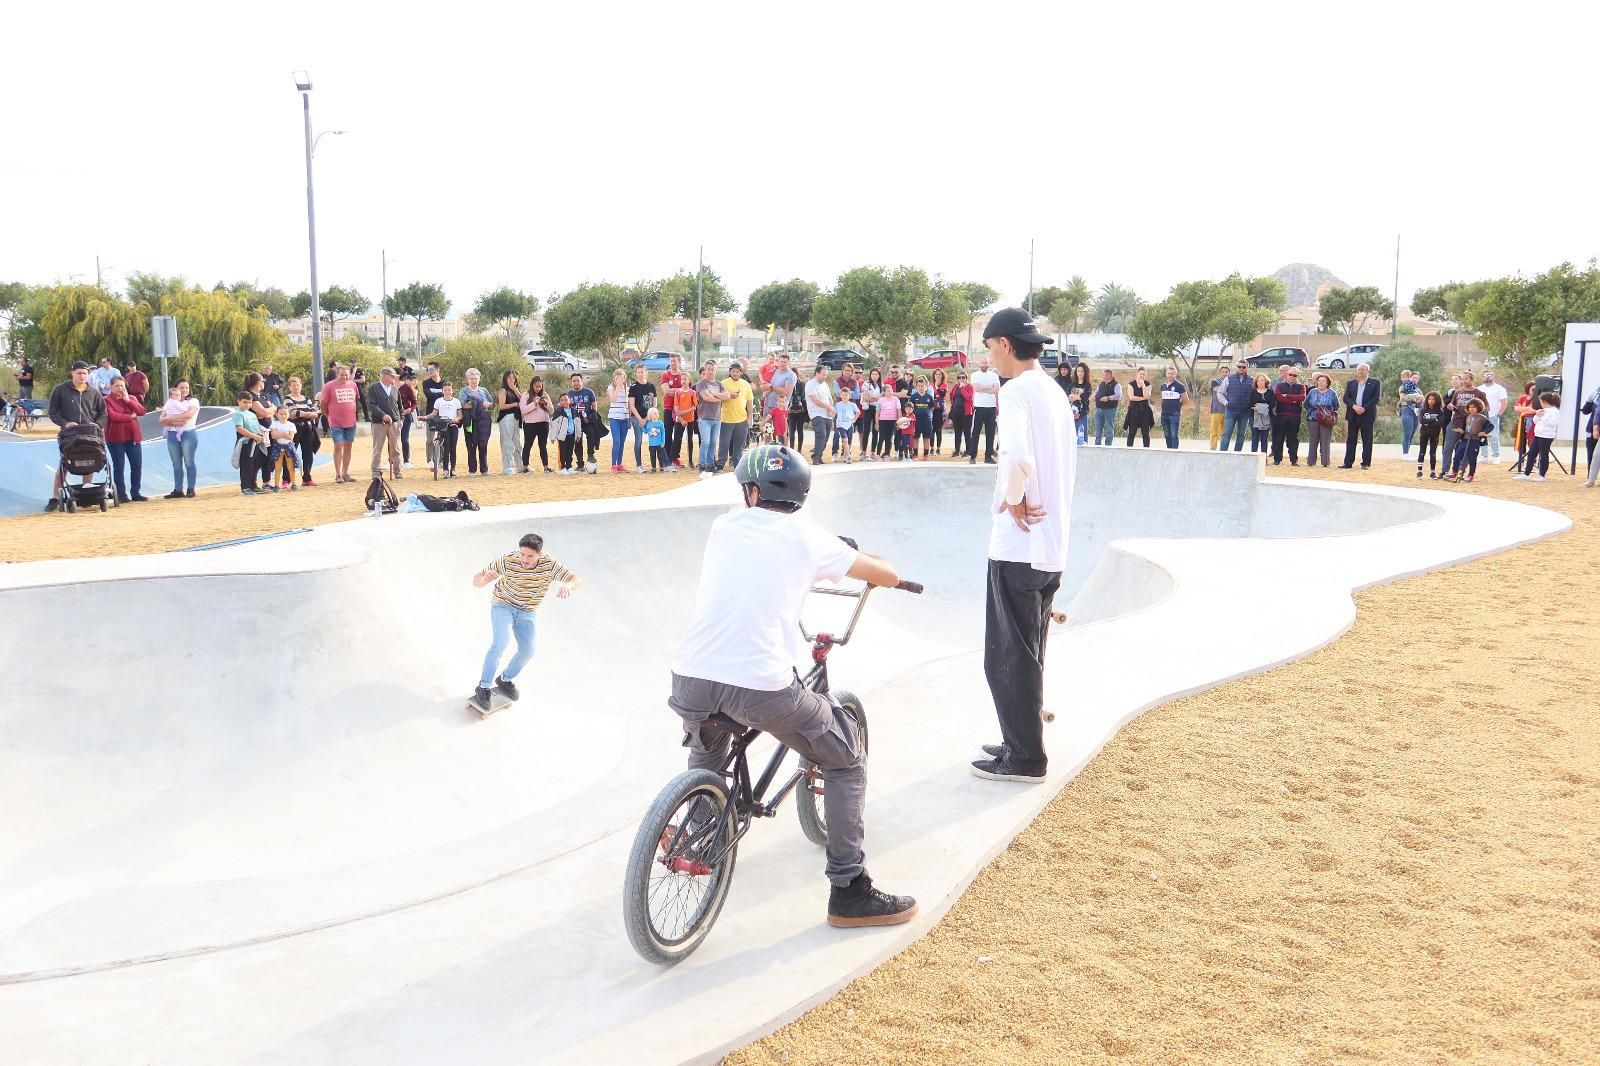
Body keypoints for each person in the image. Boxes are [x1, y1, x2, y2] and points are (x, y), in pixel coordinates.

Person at [668, 443, 917, 928]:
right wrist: (855, 554)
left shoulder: (724, 526)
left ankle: (704, 834)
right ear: (800, 495)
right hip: (761, 687)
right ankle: (850, 890)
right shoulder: (809, 538)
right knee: (846, 758)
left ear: (751, 492)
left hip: (689, 676)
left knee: (709, 744)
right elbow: (885, 573)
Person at [969, 308, 1075, 785]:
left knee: (1007, 655)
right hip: (1052, 545)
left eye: (989, 347)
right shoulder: (1053, 391)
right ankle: (1020, 739)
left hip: (1018, 547)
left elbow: (1017, 457)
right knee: (1030, 650)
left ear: (1005, 345)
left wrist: (1012, 499)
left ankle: (1026, 758)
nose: (987, 357)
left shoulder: (1015, 394)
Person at [469, 533, 582, 715]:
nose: (524, 559)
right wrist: (482, 579)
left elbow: (577, 580)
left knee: (529, 650)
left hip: (528, 611)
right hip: (503, 605)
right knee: (501, 643)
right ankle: (483, 687)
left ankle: (505, 679)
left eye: (530, 556)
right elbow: (478, 582)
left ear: (539, 554)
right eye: (522, 554)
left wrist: (568, 586)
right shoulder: (509, 560)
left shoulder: (550, 565)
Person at [44, 361, 109, 511]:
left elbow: (103, 413)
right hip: (69, 435)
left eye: (85, 373)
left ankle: (87, 492)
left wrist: (97, 425)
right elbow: (53, 412)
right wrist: (65, 423)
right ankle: (55, 497)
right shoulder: (60, 390)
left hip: (90, 433)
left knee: (91, 460)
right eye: (79, 373)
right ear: (72, 373)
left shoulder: (94, 392)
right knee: (64, 464)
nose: (82, 376)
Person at [104, 376, 148, 503]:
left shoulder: (132, 398)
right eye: (117, 386)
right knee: (119, 466)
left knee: (137, 465)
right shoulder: (106, 400)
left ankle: (136, 492)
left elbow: (141, 411)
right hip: (115, 438)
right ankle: (121, 495)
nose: (120, 388)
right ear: (111, 387)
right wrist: (130, 417)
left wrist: (128, 401)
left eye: (122, 386)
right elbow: (112, 416)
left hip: (133, 437)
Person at [317, 365, 361, 484]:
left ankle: (345, 472)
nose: (344, 377)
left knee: (348, 446)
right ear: (337, 374)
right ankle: (337, 474)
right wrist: (329, 415)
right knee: (338, 445)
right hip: (336, 422)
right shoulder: (328, 386)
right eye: (342, 375)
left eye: (346, 375)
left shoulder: (353, 385)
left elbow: (356, 399)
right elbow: (323, 404)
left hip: (350, 421)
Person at [160, 379, 201, 498]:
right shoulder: (170, 402)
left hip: (188, 433)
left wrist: (170, 420)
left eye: (186, 388)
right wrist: (172, 421)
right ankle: (178, 489)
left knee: (189, 461)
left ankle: (191, 488)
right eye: (181, 388)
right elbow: (161, 419)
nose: (184, 390)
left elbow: (187, 417)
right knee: (176, 463)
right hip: (172, 434)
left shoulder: (193, 401)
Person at [1441, 371, 1485, 479]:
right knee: (1447, 448)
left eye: (1466, 379)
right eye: (1462, 379)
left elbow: (1485, 408)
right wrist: (1450, 406)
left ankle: (1460, 472)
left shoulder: (1479, 393)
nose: (1464, 381)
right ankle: (1445, 471)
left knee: (1466, 449)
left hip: (1470, 425)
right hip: (1455, 423)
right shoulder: (1457, 392)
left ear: (1472, 379)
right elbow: (1453, 404)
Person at [1513, 392, 1561, 481]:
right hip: (1538, 434)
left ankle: (1542, 475)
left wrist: (1543, 417)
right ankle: (1526, 473)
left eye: (1541, 402)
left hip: (1547, 436)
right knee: (1531, 454)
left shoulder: (1555, 411)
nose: (1540, 404)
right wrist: (1538, 415)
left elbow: (1553, 423)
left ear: (1545, 402)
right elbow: (1535, 421)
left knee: (1543, 455)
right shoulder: (1542, 410)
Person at [1340, 362, 1381, 469]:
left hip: (1367, 415)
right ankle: (1348, 463)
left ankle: (1366, 463)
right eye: (1358, 369)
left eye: (1363, 369)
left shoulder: (1375, 383)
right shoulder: (1351, 383)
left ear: (1368, 371)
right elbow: (1346, 398)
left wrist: (1363, 408)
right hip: (1353, 415)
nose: (1360, 371)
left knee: (1367, 440)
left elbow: (1376, 398)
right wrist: (1354, 406)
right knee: (1351, 440)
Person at [368, 366, 405, 480]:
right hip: (379, 423)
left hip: (394, 422)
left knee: (396, 448)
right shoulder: (374, 388)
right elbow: (372, 405)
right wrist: (383, 415)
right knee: (377, 448)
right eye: (392, 376)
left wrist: (401, 419)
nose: (394, 378)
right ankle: (376, 471)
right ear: (384, 376)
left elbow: (400, 406)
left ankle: (398, 471)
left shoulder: (395, 389)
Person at [695, 362, 731, 477]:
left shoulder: (718, 384)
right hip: (704, 418)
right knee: (705, 442)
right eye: (708, 369)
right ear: (705, 370)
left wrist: (715, 394)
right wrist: (719, 398)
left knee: (713, 443)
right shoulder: (701, 383)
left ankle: (711, 465)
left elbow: (728, 396)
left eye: (712, 369)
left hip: (716, 418)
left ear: (715, 370)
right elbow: (706, 398)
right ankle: (702, 465)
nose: (710, 371)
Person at [719, 362, 755, 471]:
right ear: (730, 371)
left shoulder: (745, 384)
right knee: (724, 444)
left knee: (739, 445)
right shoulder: (723, 383)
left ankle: (737, 465)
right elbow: (719, 399)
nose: (735, 373)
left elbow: (749, 402)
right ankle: (720, 463)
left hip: (741, 420)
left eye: (737, 371)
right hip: (726, 419)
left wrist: (749, 418)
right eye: (733, 371)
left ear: (741, 372)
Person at [285, 377, 321, 487]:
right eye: (293, 385)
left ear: (301, 386)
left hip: (308, 428)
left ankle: (307, 477)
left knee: (308, 453)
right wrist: (308, 414)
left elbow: (314, 411)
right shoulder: (287, 399)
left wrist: (303, 414)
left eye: (298, 385)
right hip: (294, 428)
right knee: (290, 453)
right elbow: (293, 412)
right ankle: (286, 479)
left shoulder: (306, 398)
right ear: (289, 387)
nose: (296, 387)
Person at [232, 391, 269, 496]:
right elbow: (240, 429)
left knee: (256, 463)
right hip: (246, 442)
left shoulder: (252, 414)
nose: (247, 405)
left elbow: (256, 426)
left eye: (249, 402)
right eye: (244, 402)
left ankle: (253, 485)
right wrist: (253, 436)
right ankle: (245, 487)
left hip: (256, 441)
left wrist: (261, 433)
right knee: (246, 464)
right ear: (238, 401)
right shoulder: (238, 414)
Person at [1445, 399, 1490, 484]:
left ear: (1479, 407)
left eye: (1474, 407)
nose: (1471, 409)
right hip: (1465, 439)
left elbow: (1490, 426)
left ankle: (1470, 475)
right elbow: (1463, 426)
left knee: (1472, 458)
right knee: (1457, 455)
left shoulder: (1482, 418)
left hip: (1474, 440)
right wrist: (1461, 430)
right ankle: (1455, 472)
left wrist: (1484, 432)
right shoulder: (1467, 416)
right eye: (1470, 407)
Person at [460, 369, 495, 476]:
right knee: (471, 445)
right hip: (470, 421)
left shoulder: (483, 390)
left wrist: (488, 405)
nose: (474, 381)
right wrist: (479, 404)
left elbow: (492, 404)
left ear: (479, 379)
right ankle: (472, 470)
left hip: (483, 420)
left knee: (483, 444)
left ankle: (484, 469)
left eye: (475, 378)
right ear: (467, 379)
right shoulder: (464, 391)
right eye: (471, 379)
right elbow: (462, 404)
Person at [1269, 366, 1306, 466]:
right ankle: (1277, 459)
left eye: (1295, 375)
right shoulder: (1280, 386)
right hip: (1281, 415)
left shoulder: (1301, 386)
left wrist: (1287, 396)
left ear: (1297, 376)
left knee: (1293, 439)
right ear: (1287, 374)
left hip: (1295, 416)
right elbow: (1278, 397)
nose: (1292, 377)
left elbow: (1302, 397)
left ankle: (1294, 460)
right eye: (1290, 374)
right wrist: (1294, 399)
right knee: (1278, 438)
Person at [564, 372, 600, 475]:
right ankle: (580, 464)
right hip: (575, 422)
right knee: (577, 441)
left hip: (587, 420)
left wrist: (590, 417)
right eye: (574, 381)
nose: (576, 383)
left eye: (578, 381)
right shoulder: (569, 394)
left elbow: (594, 407)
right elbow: (566, 408)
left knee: (591, 434)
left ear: (581, 381)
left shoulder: (589, 392)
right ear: (571, 383)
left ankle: (590, 454)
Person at [968, 354, 1000, 464]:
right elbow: (976, 388)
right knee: (976, 432)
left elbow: (996, 389)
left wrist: (983, 388)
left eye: (986, 363)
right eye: (982, 363)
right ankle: (972, 456)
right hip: (979, 407)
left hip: (991, 407)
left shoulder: (994, 375)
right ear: (979, 363)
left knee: (990, 433)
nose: (984, 365)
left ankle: (988, 457)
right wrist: (989, 388)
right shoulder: (975, 375)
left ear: (989, 363)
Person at [1304, 372, 1340, 468]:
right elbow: (1305, 404)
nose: (1321, 383)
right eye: (1319, 381)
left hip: (1326, 420)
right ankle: (1311, 462)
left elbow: (1337, 406)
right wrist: (1313, 411)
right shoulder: (1312, 392)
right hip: (1313, 419)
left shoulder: (1332, 393)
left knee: (1325, 441)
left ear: (1327, 383)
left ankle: (1325, 462)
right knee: (1313, 441)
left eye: (1323, 381)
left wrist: (1326, 412)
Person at [661, 355, 690, 468]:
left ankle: (675, 458)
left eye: (675, 361)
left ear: (679, 362)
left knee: (678, 435)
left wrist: (675, 391)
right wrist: (679, 391)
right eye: (671, 361)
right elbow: (667, 391)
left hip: (681, 410)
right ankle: (667, 458)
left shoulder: (683, 375)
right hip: (669, 408)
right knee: (668, 433)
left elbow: (687, 390)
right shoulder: (665, 374)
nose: (673, 363)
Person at [520, 376, 554, 473]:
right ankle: (525, 467)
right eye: (536, 386)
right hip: (530, 424)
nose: (538, 388)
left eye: (540, 386)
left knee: (543, 445)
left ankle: (546, 467)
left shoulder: (545, 395)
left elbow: (551, 410)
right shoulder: (525, 395)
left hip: (544, 423)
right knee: (528, 445)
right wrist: (534, 403)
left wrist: (546, 403)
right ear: (532, 385)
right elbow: (523, 410)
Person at [628, 366, 658, 473]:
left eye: (642, 372)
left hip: (650, 417)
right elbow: (631, 405)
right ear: (636, 374)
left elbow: (654, 404)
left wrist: (647, 418)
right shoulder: (633, 387)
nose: (641, 374)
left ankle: (658, 464)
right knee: (639, 440)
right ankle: (639, 465)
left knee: (655, 440)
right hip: (637, 418)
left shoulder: (651, 386)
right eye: (638, 372)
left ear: (646, 373)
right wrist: (640, 419)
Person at [805, 365, 836, 466]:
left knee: (826, 437)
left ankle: (819, 456)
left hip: (827, 415)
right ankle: (816, 458)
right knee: (821, 434)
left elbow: (830, 398)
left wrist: (831, 409)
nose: (824, 377)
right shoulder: (810, 384)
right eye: (823, 375)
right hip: (816, 414)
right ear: (817, 373)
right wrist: (829, 407)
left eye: (826, 375)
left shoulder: (825, 385)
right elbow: (815, 400)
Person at [1219, 360, 1253, 451]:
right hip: (1231, 410)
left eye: (1243, 367)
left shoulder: (1252, 380)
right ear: (1236, 367)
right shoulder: (1228, 379)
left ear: (1247, 368)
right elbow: (1220, 393)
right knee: (1227, 433)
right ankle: (1222, 454)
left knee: (1241, 434)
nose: (1241, 368)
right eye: (1239, 367)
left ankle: (1237, 454)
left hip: (1245, 412)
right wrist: (1226, 403)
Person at [497, 370, 526, 476]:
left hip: (516, 418)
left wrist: (515, 389)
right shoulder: (503, 390)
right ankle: (507, 466)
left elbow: (523, 401)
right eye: (509, 377)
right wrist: (514, 404)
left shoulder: (514, 389)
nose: (511, 380)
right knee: (507, 442)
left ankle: (520, 466)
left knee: (517, 442)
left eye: (513, 378)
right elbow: (502, 406)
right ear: (505, 378)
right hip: (506, 417)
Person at [766, 354, 798, 449]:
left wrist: (771, 387)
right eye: (780, 361)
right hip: (769, 404)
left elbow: (786, 391)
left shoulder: (791, 375)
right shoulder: (776, 371)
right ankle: (767, 450)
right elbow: (770, 385)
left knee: (781, 431)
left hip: (780, 408)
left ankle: (784, 450)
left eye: (785, 362)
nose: (782, 363)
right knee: (767, 430)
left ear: (789, 363)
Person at [421, 362, 447, 472]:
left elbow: (447, 394)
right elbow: (429, 395)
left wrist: (441, 394)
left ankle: (442, 460)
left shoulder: (445, 382)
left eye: (431, 369)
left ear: (437, 370)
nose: (429, 372)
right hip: (430, 414)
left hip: (443, 413)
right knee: (430, 438)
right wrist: (441, 393)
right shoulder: (426, 383)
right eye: (428, 370)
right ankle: (429, 459)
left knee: (443, 438)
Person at [267, 405, 299, 492]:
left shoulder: (291, 425)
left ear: (288, 414)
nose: (283, 416)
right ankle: (277, 485)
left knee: (290, 466)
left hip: (289, 447)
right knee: (278, 467)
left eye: (285, 414)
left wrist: (279, 434)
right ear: (277, 414)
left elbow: (290, 437)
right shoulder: (274, 424)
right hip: (278, 448)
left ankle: (294, 483)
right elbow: (273, 436)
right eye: (281, 414)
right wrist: (285, 433)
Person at [1480, 369, 1509, 464]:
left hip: (1493, 415)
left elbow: (1504, 402)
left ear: (1493, 376)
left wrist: (1498, 415)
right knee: (1482, 436)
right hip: (1482, 415)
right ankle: (1484, 456)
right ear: (1482, 377)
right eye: (1485, 375)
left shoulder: (1499, 388)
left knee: (1494, 436)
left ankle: (1496, 456)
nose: (1487, 376)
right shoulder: (1479, 388)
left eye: (1489, 375)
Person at [1415, 392, 1446, 479]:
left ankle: (1432, 472)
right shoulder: (1423, 410)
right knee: (1422, 451)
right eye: (1429, 399)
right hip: (1424, 433)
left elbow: (1440, 423)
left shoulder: (1440, 412)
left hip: (1435, 434)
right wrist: (1433, 421)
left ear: (1437, 400)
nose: (1431, 401)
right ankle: (1419, 471)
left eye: (1433, 399)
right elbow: (1422, 421)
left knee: (1433, 453)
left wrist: (1429, 423)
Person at [1158, 366, 1188, 449]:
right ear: (1166, 374)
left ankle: (1174, 453)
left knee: (1174, 435)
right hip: (1164, 414)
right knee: (1167, 435)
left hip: (1174, 414)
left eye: (1172, 374)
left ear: (1175, 375)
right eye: (1168, 373)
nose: (1170, 375)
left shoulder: (1180, 386)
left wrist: (1178, 406)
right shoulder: (1163, 386)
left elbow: (1185, 399)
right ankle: (1169, 451)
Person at [672, 376, 699, 469]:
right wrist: (681, 418)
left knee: (690, 440)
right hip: (680, 420)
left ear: (689, 381)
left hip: (690, 419)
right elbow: (675, 406)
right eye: (682, 379)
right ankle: (672, 460)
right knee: (676, 439)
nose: (683, 381)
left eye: (685, 379)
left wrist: (683, 413)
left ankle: (690, 461)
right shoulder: (678, 392)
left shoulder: (692, 392)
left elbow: (694, 407)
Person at [1124, 367, 1153, 447]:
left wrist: (1143, 385)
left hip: (1145, 410)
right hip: (1134, 410)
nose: (1142, 376)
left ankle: (1146, 449)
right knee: (1132, 432)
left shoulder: (1148, 384)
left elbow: (1147, 396)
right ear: (1137, 374)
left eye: (1144, 374)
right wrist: (1143, 398)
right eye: (1140, 374)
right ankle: (1129, 449)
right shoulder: (1131, 384)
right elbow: (1132, 397)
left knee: (1145, 433)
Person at [949, 370, 974, 459]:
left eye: (963, 377)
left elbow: (969, 398)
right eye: (959, 377)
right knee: (957, 433)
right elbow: (952, 396)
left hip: (966, 413)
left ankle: (968, 451)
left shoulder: (969, 386)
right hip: (956, 413)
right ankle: (957, 450)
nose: (961, 379)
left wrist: (963, 388)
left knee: (967, 432)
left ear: (966, 378)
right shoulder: (956, 386)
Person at [909, 376, 936, 459]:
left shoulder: (929, 397)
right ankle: (915, 454)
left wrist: (927, 414)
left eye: (922, 386)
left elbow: (932, 407)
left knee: (926, 438)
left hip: (927, 421)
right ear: (916, 386)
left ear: (926, 386)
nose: (921, 387)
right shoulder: (913, 397)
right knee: (915, 437)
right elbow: (910, 409)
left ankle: (926, 455)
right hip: (916, 421)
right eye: (919, 386)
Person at [858, 368, 881, 460]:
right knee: (866, 430)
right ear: (870, 375)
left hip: (877, 409)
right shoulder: (866, 384)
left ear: (879, 375)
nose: (874, 376)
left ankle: (872, 452)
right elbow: (866, 398)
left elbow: (881, 398)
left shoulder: (881, 385)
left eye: (876, 374)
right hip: (868, 408)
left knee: (876, 430)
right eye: (873, 374)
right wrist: (875, 399)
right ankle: (863, 452)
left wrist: (874, 398)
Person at [1092, 369, 1121, 446]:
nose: (1103, 376)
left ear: (1109, 375)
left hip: (1110, 410)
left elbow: (1118, 396)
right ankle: (1097, 445)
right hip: (1099, 409)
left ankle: (1108, 446)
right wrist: (1093, 395)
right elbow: (1096, 392)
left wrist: (1108, 398)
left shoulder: (1116, 385)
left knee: (1109, 429)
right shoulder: (1102, 383)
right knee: (1098, 428)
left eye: (1104, 374)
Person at [397, 370, 418, 470]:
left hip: (406, 415)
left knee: (404, 439)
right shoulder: (390, 387)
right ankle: (392, 461)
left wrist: (410, 409)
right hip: (393, 416)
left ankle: (406, 461)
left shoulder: (407, 388)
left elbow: (414, 402)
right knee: (393, 440)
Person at [1397, 370, 1421, 456]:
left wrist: (1419, 398)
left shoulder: (1418, 390)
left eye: (1417, 378)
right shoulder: (1403, 387)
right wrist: (1417, 398)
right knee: (1407, 432)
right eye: (1414, 377)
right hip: (1406, 409)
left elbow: (1422, 400)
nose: (1415, 379)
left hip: (1416, 412)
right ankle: (1405, 453)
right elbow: (1405, 397)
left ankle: (1408, 452)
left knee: (1412, 433)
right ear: (1410, 377)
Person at [1068, 363, 1092, 446]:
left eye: (1082, 371)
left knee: (1082, 434)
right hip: (1072, 413)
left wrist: (1074, 396)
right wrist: (1078, 397)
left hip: (1082, 413)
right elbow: (1068, 396)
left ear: (1085, 373)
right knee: (1072, 434)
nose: (1080, 373)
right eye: (1078, 371)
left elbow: (1084, 397)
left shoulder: (1087, 385)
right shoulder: (1072, 384)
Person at [1248, 373, 1273, 453]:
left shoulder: (1270, 392)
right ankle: (1253, 456)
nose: (1260, 382)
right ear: (1256, 382)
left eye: (1262, 380)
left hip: (1266, 418)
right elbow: (1249, 404)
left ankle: (1263, 458)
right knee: (1255, 437)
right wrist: (1258, 408)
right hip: (1254, 418)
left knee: (1264, 438)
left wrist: (1261, 408)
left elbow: (1272, 404)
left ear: (1266, 381)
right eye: (1258, 381)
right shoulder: (1253, 392)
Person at [875, 381, 900, 461]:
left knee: (889, 438)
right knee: (881, 437)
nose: (890, 392)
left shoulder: (896, 399)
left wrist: (899, 422)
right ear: (884, 392)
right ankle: (878, 454)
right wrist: (877, 423)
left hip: (892, 421)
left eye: (891, 390)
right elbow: (877, 413)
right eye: (888, 391)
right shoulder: (880, 400)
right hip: (883, 421)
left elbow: (899, 411)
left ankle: (887, 454)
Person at [834, 391, 859, 464]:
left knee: (849, 442)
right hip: (841, 425)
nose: (844, 396)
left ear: (849, 396)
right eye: (843, 395)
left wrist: (854, 419)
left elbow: (858, 412)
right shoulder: (838, 405)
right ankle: (848, 456)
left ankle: (845, 456)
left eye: (846, 395)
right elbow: (834, 413)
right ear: (841, 396)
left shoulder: (852, 405)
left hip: (849, 425)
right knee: (845, 440)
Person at [786, 370, 808, 452]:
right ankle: (798, 450)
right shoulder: (802, 384)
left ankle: (793, 449)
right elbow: (803, 396)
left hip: (793, 410)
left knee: (793, 430)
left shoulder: (790, 384)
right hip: (799, 410)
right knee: (798, 430)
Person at [1207, 365, 1227, 449]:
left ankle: (1223, 449)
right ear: (1220, 373)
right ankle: (1213, 449)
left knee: (1225, 432)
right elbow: (1217, 389)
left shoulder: (1231, 382)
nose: (1225, 373)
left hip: (1227, 410)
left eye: (1226, 372)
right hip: (1216, 410)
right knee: (1214, 431)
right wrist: (1228, 389)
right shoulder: (1215, 381)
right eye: (1223, 372)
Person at [930, 368, 949, 455]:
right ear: (934, 375)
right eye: (936, 374)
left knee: (938, 430)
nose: (938, 376)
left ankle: (938, 449)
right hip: (932, 409)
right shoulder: (930, 385)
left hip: (940, 411)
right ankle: (931, 448)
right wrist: (937, 393)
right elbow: (930, 396)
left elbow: (942, 394)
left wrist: (937, 387)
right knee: (931, 430)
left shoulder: (944, 385)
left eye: (940, 374)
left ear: (942, 376)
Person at [645, 407, 666, 471]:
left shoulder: (660, 424)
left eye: (657, 413)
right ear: (650, 415)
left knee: (660, 456)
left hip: (659, 444)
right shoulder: (649, 424)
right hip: (651, 444)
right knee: (652, 456)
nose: (657, 414)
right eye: (654, 413)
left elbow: (663, 433)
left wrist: (663, 442)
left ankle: (661, 467)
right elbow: (646, 431)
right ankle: (653, 467)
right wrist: (641, 427)